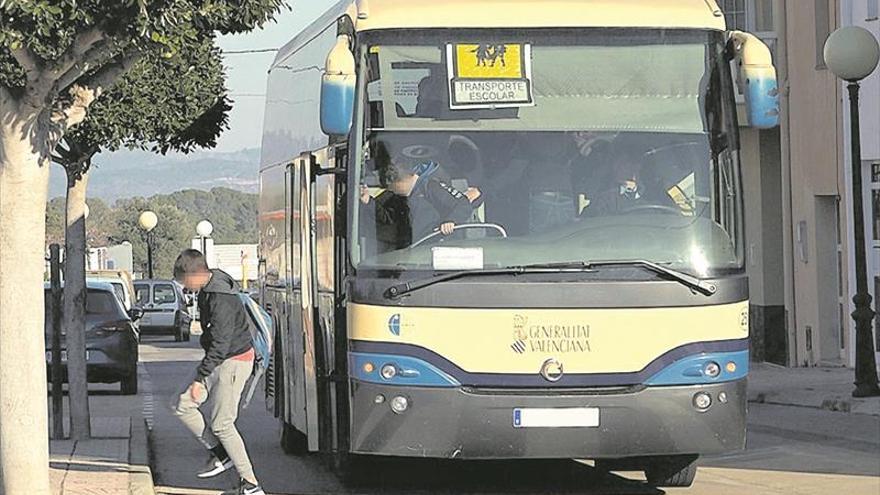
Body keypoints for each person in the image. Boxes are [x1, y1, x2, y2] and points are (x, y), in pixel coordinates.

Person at [172, 249, 265, 495]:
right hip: (219, 359)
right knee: (181, 404)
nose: (183, 286)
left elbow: (221, 343)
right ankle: (221, 455)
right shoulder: (209, 288)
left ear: (195, 274)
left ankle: (251, 485)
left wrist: (201, 376)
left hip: (234, 361)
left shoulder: (220, 297)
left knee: (222, 423)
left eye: (183, 280)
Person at [362, 160, 479, 245]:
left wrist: (451, 221)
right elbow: (387, 218)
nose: (390, 190)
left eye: (390, 186)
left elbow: (463, 205)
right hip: (410, 253)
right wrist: (368, 202)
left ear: (400, 181)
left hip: (439, 249)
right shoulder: (397, 197)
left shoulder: (430, 187)